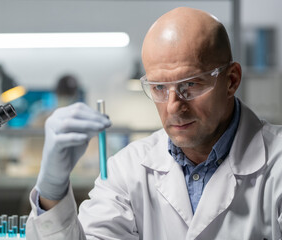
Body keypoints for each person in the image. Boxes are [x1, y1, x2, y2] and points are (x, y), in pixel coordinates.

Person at [26, 7, 282, 239]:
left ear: (232, 80)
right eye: (159, 87)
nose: (173, 106)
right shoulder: (127, 170)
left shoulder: (277, 164)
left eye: (190, 85)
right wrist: (52, 191)